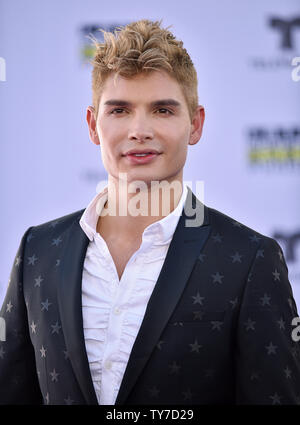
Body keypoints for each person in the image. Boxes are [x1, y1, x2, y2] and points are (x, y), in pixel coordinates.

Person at [0, 19, 299, 406]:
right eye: (120, 110)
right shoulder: (38, 252)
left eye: (162, 110)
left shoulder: (250, 260)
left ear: (195, 124)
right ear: (93, 125)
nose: (139, 130)